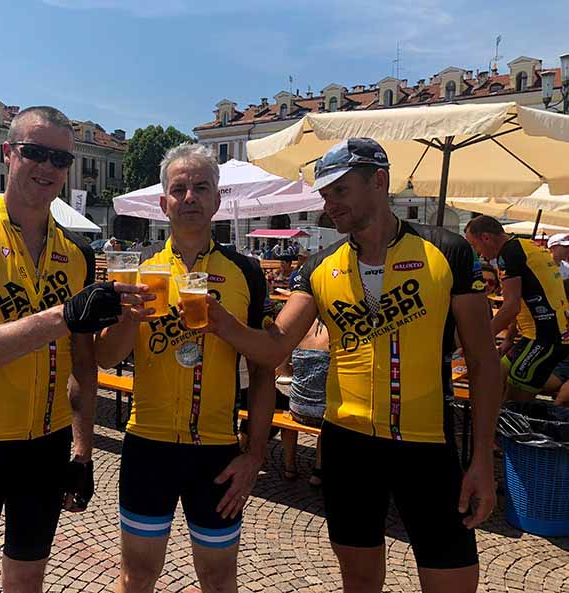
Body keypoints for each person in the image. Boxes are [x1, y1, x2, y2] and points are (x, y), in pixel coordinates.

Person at [201, 138, 500, 593]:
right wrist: (222, 322)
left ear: (378, 181)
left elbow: (482, 363)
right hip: (347, 446)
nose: (329, 205)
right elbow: (273, 348)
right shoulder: (319, 266)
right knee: (359, 583)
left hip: (428, 445)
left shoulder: (448, 251)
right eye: (324, 194)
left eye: (339, 190)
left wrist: (482, 460)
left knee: (453, 583)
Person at [0, 105, 140, 593]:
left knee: (27, 578)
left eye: (61, 160)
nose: (48, 167)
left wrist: (84, 451)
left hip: (49, 444)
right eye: (35, 153)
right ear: (8, 154)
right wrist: (60, 316)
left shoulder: (79, 251)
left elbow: (89, 360)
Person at [95, 142, 275, 593]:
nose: (190, 197)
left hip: (216, 450)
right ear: (163, 203)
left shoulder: (246, 271)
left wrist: (254, 453)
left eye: (201, 187)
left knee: (217, 578)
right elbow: (105, 357)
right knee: (137, 576)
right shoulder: (139, 273)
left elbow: (264, 368)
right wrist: (123, 319)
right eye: (179, 189)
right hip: (147, 445)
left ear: (217, 199)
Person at [465, 216, 569, 403]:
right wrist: (508, 339)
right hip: (537, 335)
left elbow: (511, 306)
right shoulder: (524, 245)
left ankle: (506, 429)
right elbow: (518, 303)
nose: (478, 253)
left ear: (486, 238)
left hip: (545, 339)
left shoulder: (509, 253)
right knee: (495, 375)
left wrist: (477, 342)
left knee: (513, 405)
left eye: (475, 245)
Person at [288, 316, 329, 487]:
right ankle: (318, 471)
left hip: (296, 409)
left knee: (285, 406)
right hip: (322, 414)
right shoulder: (335, 333)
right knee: (329, 412)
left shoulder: (300, 328)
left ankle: (288, 466)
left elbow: (282, 369)